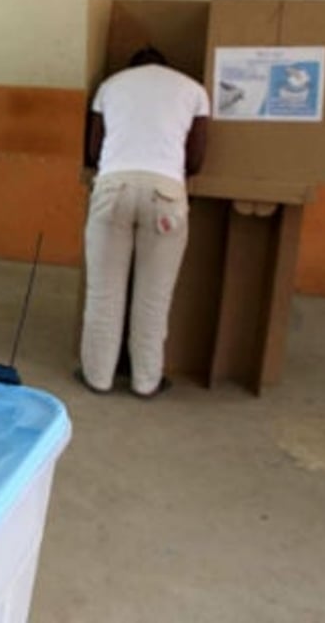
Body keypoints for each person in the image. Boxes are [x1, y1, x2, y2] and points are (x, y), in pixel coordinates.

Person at [79, 45, 209, 396]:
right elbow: (196, 159)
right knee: (154, 295)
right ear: (164, 66)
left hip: (113, 188)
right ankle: (146, 381)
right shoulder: (193, 89)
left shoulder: (110, 85)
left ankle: (98, 377)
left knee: (103, 292)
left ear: (131, 67)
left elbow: (93, 150)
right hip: (165, 194)